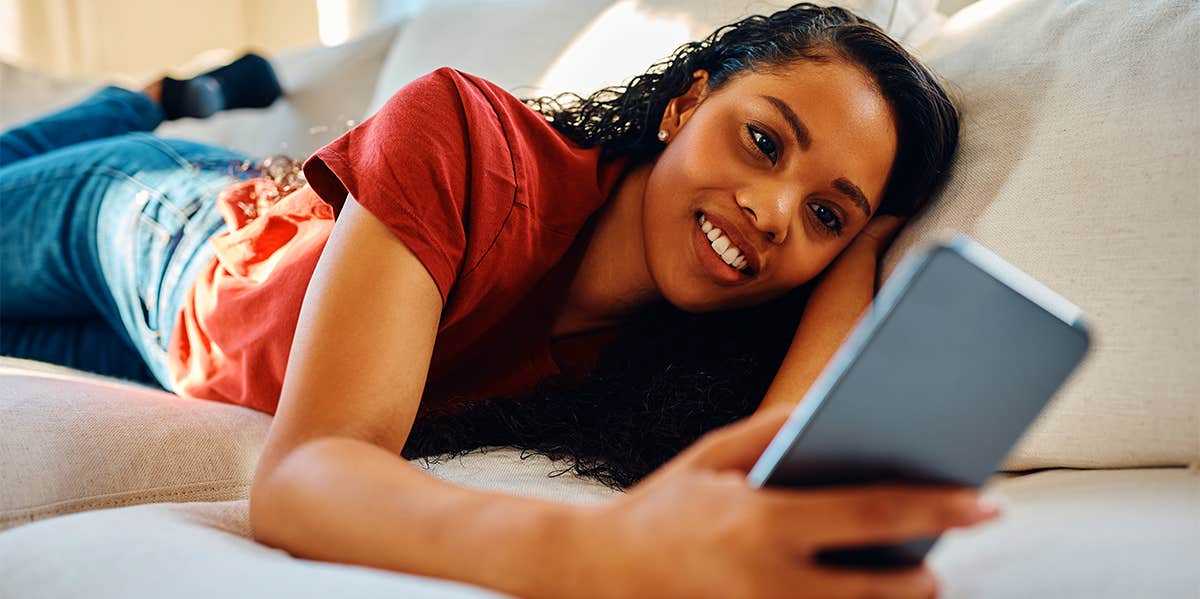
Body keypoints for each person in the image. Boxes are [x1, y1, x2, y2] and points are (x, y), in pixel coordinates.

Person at [0, 4, 997, 597]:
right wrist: (609, 551)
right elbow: (303, 476)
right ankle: (140, 105)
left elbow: (779, 454)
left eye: (824, 212)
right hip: (173, 240)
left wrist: (867, 240)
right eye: (765, 142)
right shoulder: (465, 135)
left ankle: (131, 108)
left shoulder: (667, 365)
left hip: (190, 365)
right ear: (687, 104)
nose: (776, 212)